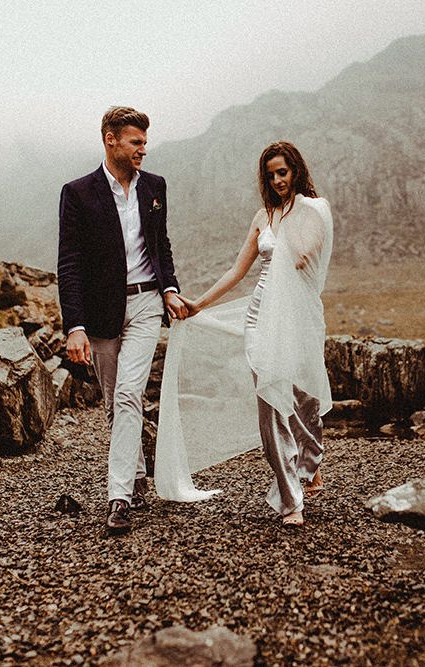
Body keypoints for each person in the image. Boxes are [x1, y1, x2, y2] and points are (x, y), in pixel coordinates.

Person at [179, 141, 333, 528]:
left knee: (304, 398)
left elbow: (302, 257)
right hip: (261, 316)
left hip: (298, 314)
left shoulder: (315, 211)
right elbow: (237, 271)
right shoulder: (261, 218)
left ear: (296, 170)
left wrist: (293, 218)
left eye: (284, 172)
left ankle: (310, 461)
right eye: (271, 175)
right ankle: (290, 498)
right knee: (270, 404)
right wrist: (199, 304)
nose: (278, 180)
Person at [58, 106, 188, 536]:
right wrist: (74, 325)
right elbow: (70, 263)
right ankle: (133, 473)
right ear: (110, 140)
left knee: (131, 394)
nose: (143, 150)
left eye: (145, 143)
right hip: (101, 314)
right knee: (117, 401)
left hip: (147, 302)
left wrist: (169, 287)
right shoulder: (77, 193)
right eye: (136, 142)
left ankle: (119, 498)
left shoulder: (155, 187)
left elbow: (160, 243)